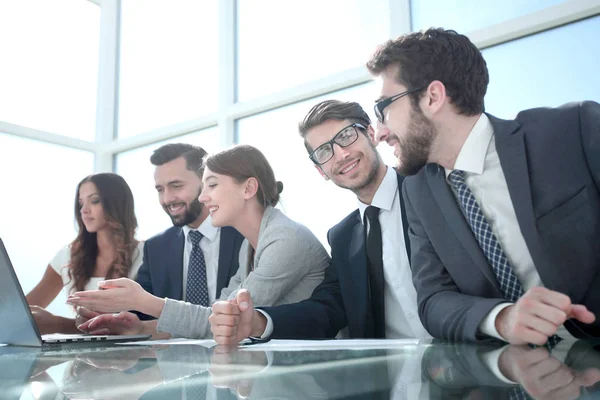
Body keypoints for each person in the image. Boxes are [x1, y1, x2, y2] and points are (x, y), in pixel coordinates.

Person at [366, 27, 600, 344]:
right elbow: (433, 300)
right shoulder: (418, 190)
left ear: (433, 97)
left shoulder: (572, 130)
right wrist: (501, 319)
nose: (378, 133)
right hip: (514, 375)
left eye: (383, 108)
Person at [209, 100, 431, 344]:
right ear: (321, 171)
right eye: (325, 151)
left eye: (346, 136)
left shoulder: (428, 190)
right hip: (394, 374)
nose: (341, 154)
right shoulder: (343, 237)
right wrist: (259, 322)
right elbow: (328, 310)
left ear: (370, 133)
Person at [72, 144, 330, 339]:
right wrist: (140, 326)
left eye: (212, 185)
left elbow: (228, 322)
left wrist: (143, 301)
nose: (204, 198)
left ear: (248, 189)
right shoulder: (250, 246)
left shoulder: (283, 240)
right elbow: (216, 315)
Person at [74, 143, 245, 329]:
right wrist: (108, 319)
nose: (167, 199)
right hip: (173, 356)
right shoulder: (156, 247)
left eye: (176, 186)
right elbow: (139, 314)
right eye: (160, 189)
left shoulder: (244, 235)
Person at [25, 173, 144, 334]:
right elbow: (24, 312)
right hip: (82, 358)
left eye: (94, 201)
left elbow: (144, 326)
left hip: (134, 357)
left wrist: (59, 324)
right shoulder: (67, 256)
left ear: (117, 203)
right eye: (81, 204)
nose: (84, 210)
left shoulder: (146, 254)